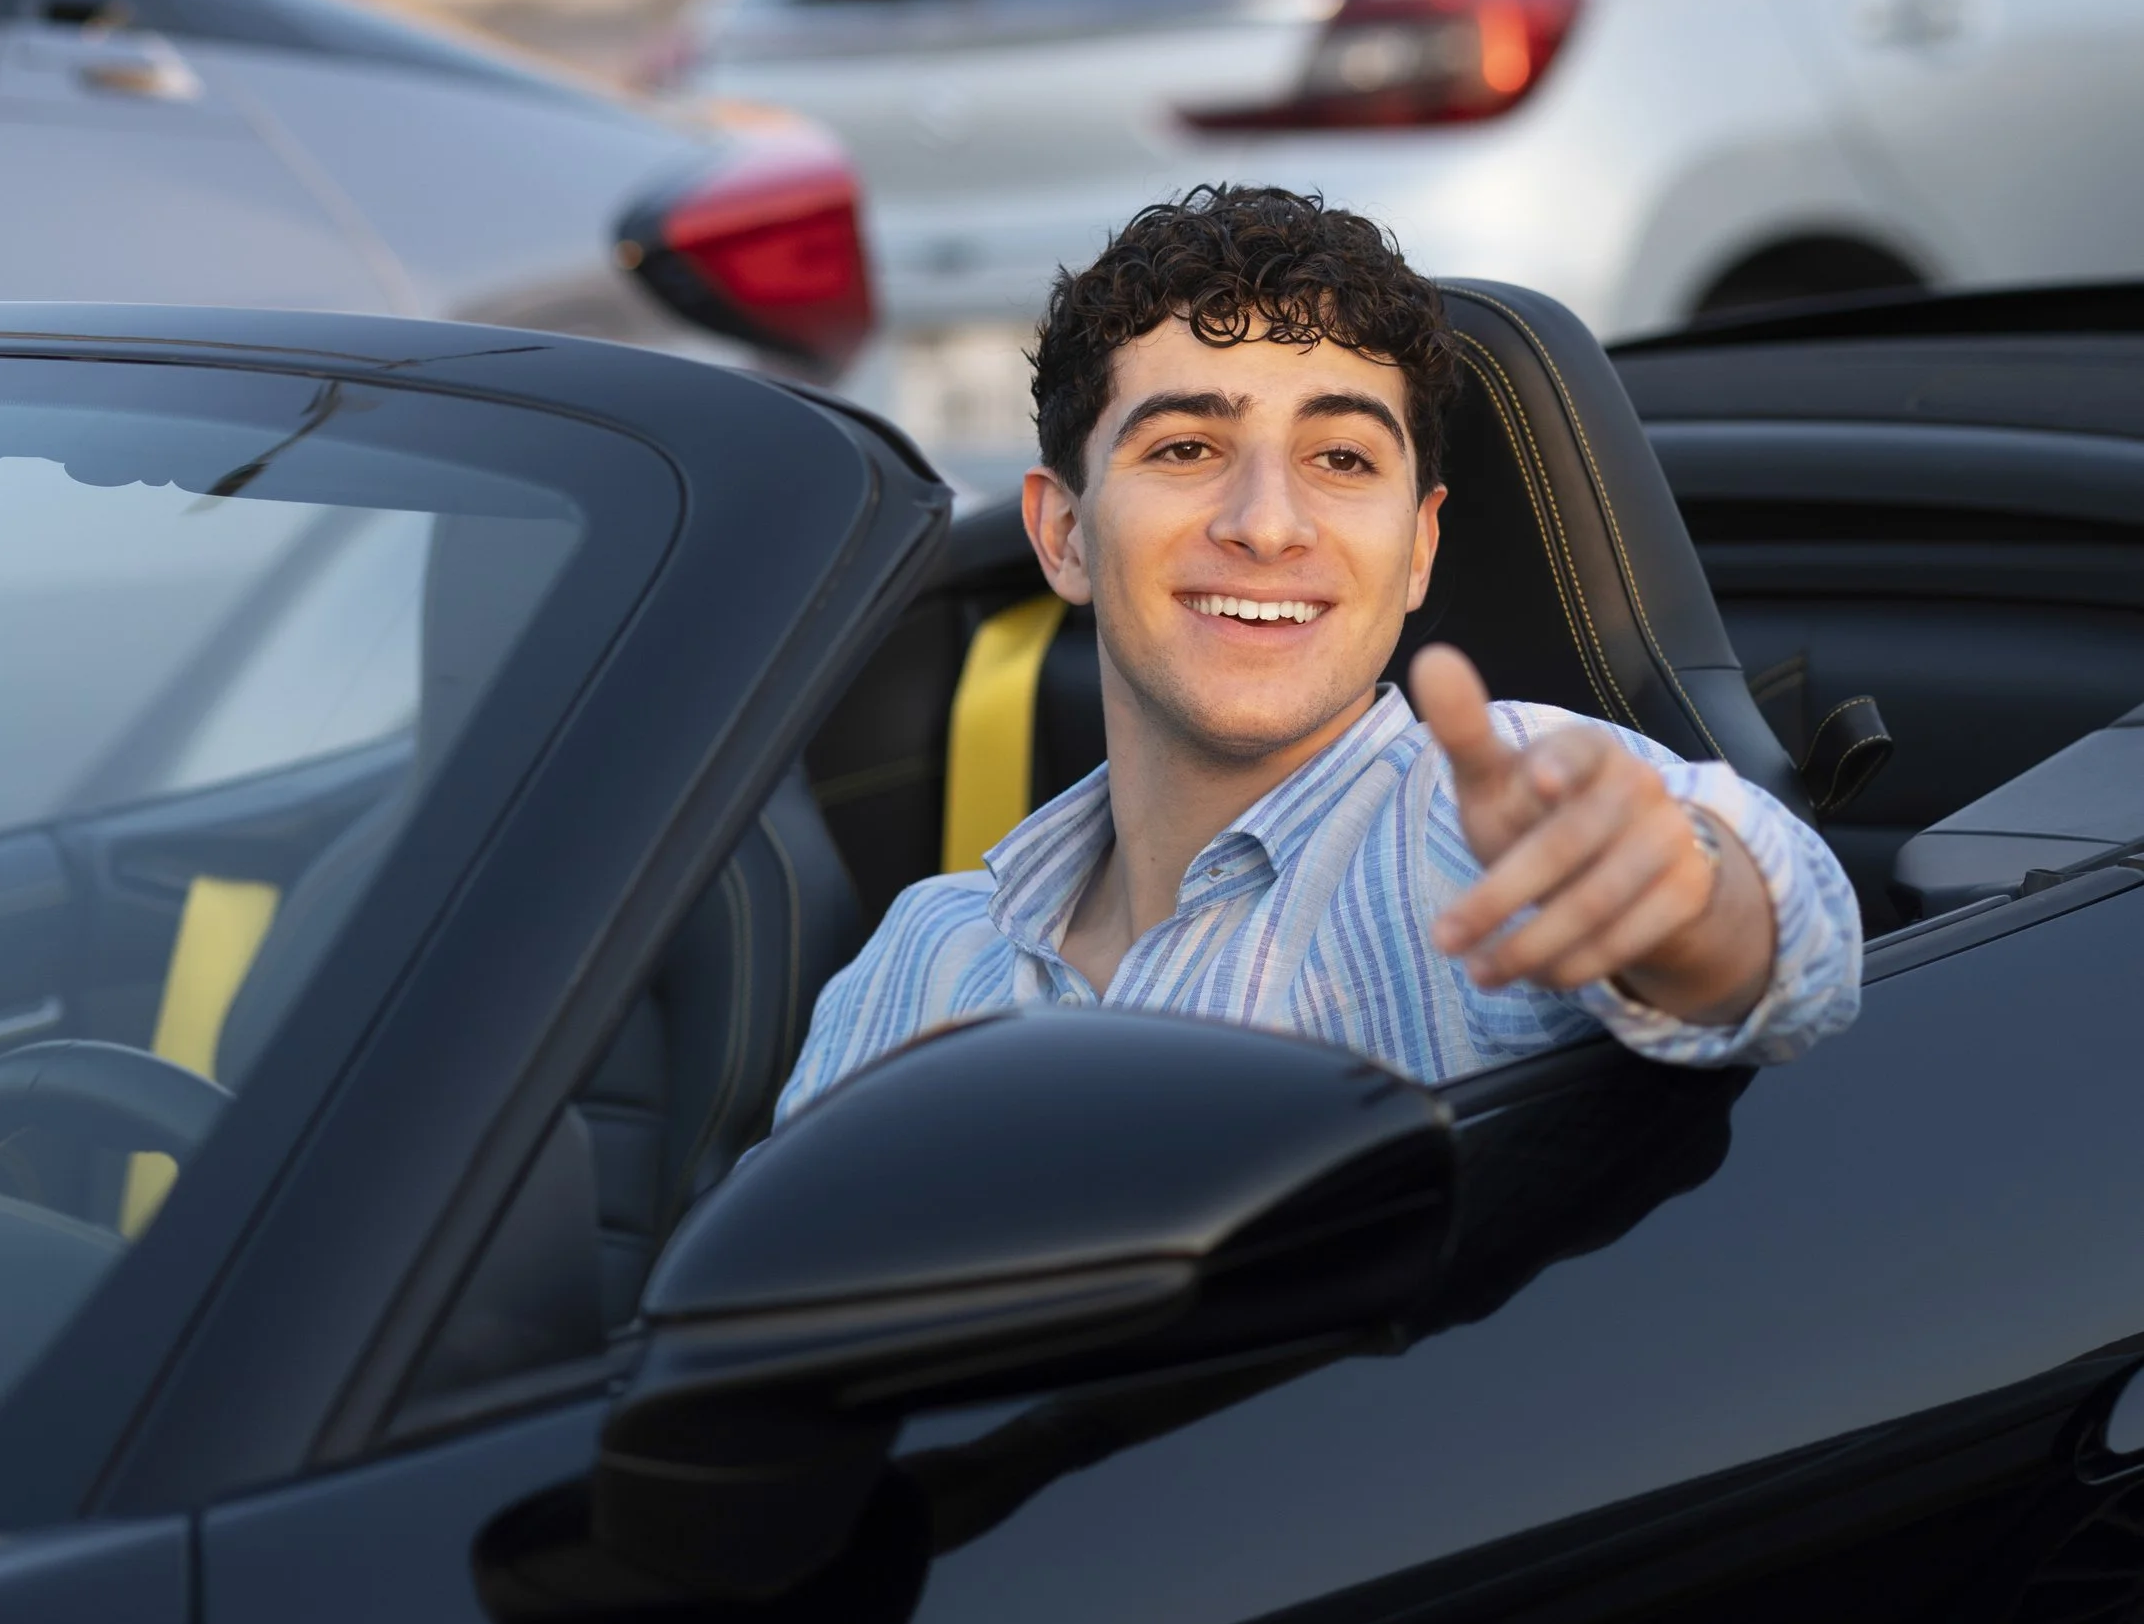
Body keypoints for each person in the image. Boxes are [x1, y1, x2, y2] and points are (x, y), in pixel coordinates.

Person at [778, 185, 1859, 1120]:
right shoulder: (920, 959)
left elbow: (1788, 953)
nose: (1267, 522)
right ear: (1062, 533)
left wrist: (1688, 903)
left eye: (1340, 457)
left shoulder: (1498, 822)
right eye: (1188, 447)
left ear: (1420, 543)